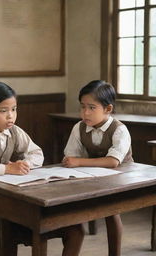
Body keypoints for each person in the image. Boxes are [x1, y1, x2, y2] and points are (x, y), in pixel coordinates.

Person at [0, 81, 84, 256]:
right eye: (3, 111)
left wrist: (25, 164)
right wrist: (7, 169)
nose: (10, 116)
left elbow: (37, 153)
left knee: (69, 229)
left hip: (3, 194)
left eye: (14, 109)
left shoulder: (15, 132)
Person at [62, 80, 133, 256]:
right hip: (94, 175)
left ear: (108, 109)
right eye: (82, 107)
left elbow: (113, 162)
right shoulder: (79, 128)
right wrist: (74, 161)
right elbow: (71, 156)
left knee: (111, 210)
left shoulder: (120, 130)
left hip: (121, 177)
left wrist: (79, 162)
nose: (85, 113)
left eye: (92, 107)